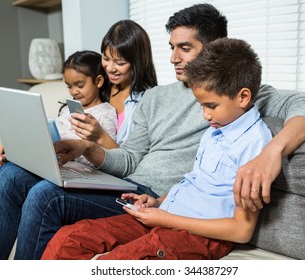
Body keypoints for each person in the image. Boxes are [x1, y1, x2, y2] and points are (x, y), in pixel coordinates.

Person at [0, 4, 305, 260]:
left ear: (214, 49)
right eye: (171, 47)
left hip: (165, 199)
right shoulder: (156, 97)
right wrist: (86, 149)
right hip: (131, 190)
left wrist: (272, 152)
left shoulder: (235, 94)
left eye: (185, 48)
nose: (173, 58)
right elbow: (130, 157)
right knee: (13, 175)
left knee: (44, 195)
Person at [41, 37, 272, 260]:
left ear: (243, 97)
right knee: (69, 239)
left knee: (120, 262)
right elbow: (194, 183)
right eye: (201, 105)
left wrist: (165, 218)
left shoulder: (255, 145)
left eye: (211, 106)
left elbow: (241, 230)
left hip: (200, 234)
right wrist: (158, 202)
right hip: (167, 213)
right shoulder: (217, 127)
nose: (205, 115)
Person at [0, 19, 157, 260]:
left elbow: (129, 160)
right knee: (9, 174)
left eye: (120, 62)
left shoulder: (146, 102)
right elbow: (58, 124)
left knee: (40, 192)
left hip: (112, 176)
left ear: (138, 61)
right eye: (106, 58)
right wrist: (12, 141)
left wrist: (97, 137)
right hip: (81, 166)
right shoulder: (99, 88)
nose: (110, 68)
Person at [0, 50, 117, 216]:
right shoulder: (68, 109)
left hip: (65, 167)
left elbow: (106, 156)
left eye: (79, 85)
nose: (73, 91)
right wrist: (8, 146)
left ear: (98, 81)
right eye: (69, 86)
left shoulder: (105, 113)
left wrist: (76, 150)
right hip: (41, 160)